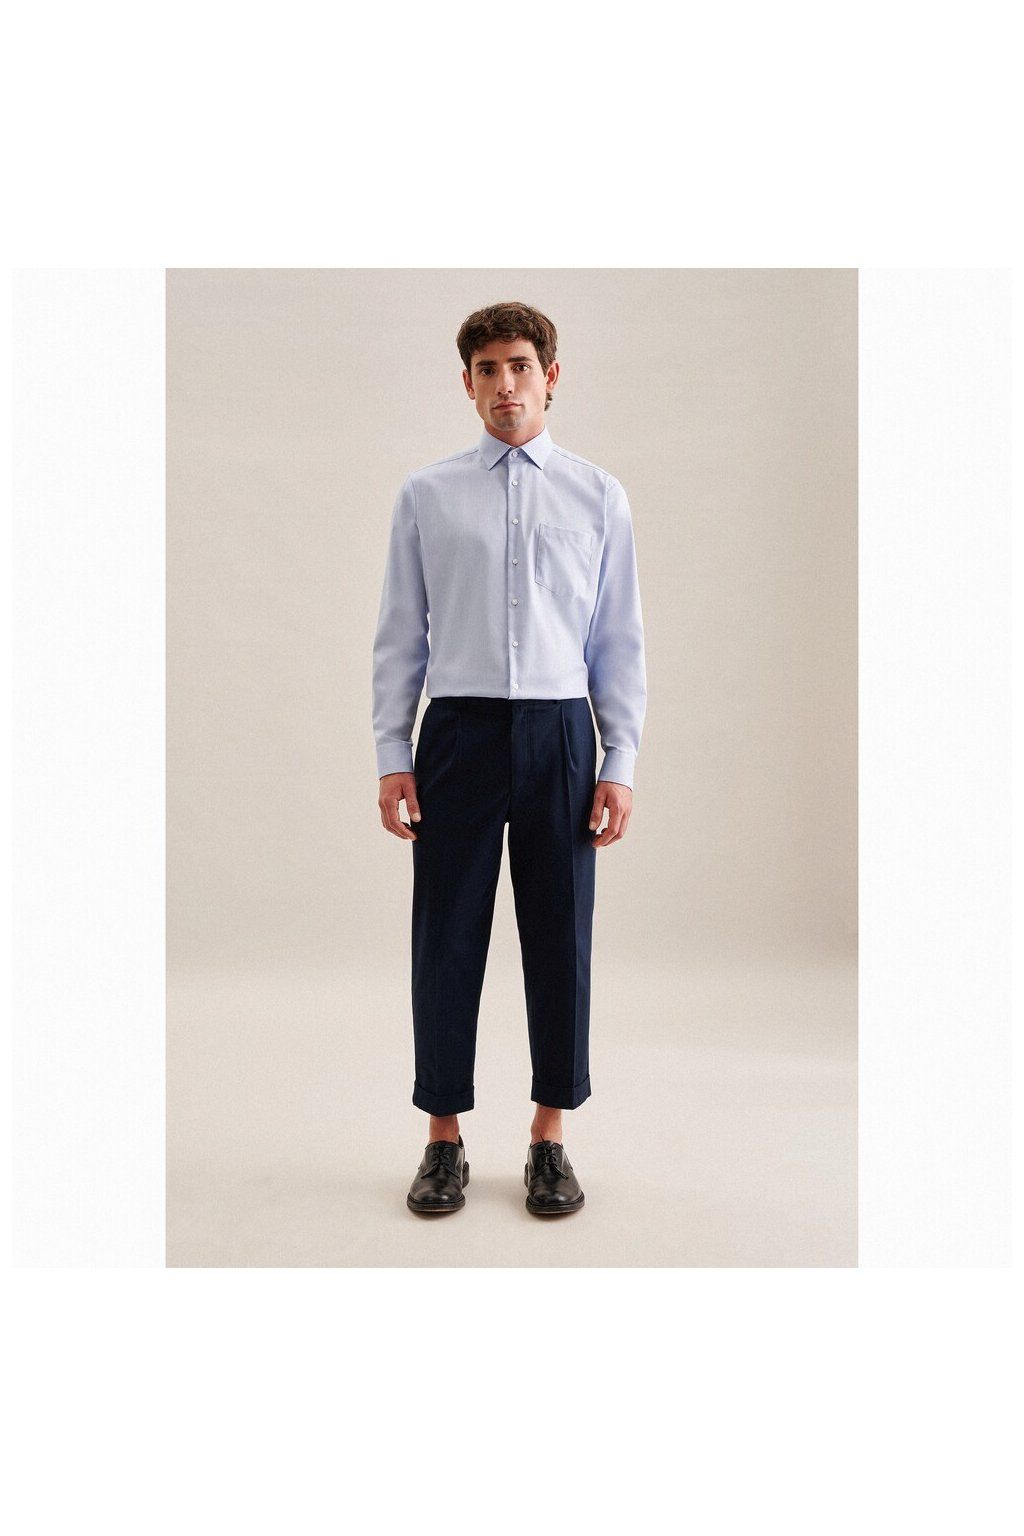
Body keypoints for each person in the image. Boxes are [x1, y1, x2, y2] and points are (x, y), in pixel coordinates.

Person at [371, 301, 647, 1217]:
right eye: (486, 369)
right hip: (457, 734)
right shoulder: (428, 494)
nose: (504, 385)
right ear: (467, 383)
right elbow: (399, 636)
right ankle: (442, 1137)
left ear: (549, 376)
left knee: (560, 936)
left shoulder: (598, 496)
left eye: (520, 365)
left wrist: (619, 759)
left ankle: (549, 1136)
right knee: (445, 936)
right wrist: (393, 751)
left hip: (561, 735)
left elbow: (618, 639)